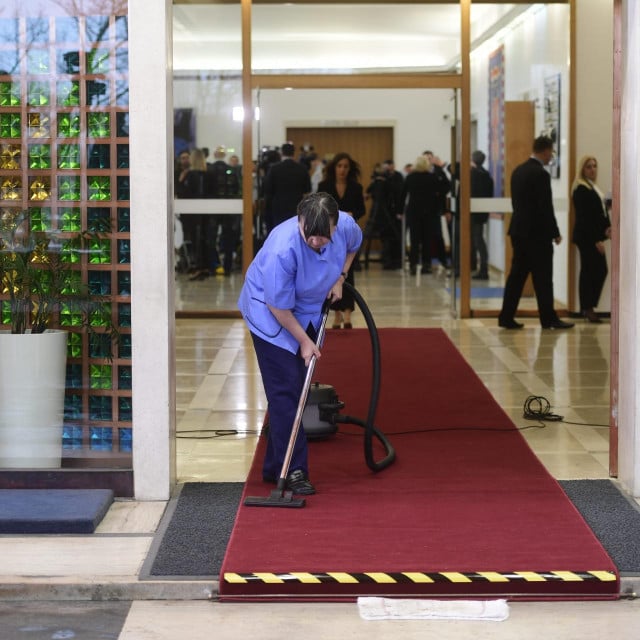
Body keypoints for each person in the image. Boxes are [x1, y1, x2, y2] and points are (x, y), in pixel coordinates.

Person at [237, 192, 362, 495]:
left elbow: (354, 246)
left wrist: (340, 277)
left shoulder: (344, 225)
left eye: (324, 237)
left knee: (293, 390)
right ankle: (293, 470)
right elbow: (278, 307)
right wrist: (305, 341)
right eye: (311, 236)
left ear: (335, 225)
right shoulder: (283, 248)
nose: (317, 242)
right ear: (300, 221)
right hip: (270, 315)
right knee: (286, 393)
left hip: (309, 308)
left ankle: (273, 466)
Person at [498, 135, 574, 330]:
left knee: (516, 277)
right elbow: (544, 208)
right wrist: (555, 232)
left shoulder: (518, 171)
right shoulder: (540, 174)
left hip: (519, 231)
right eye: (551, 152)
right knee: (543, 278)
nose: (551, 157)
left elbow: (518, 204)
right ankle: (548, 319)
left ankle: (506, 317)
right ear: (546, 150)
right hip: (537, 236)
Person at [318, 152, 366, 328]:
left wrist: (352, 214)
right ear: (334, 168)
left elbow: (362, 210)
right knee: (332, 272)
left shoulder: (356, 187)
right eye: (339, 166)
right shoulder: (324, 185)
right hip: (330, 235)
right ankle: (336, 313)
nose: (342, 170)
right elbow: (319, 207)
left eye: (346, 167)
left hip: (348, 234)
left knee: (348, 272)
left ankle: (347, 313)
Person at [571, 155, 612, 323]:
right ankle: (587, 308)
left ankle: (588, 307)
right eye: (589, 166)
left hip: (593, 235)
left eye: (594, 166)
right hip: (587, 237)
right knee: (592, 271)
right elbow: (585, 218)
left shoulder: (592, 187)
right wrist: (597, 239)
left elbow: (598, 212)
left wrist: (607, 228)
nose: (592, 169)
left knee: (596, 270)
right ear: (582, 169)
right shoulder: (581, 189)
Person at [400, 154, 442, 275]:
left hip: (413, 211)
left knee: (414, 239)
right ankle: (426, 265)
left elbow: (403, 195)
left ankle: (413, 265)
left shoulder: (410, 177)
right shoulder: (432, 177)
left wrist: (400, 211)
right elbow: (439, 194)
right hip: (429, 212)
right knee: (427, 240)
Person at [263, 142, 311, 233]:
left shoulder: (274, 169)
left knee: (280, 233)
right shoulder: (302, 168)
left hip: (278, 208)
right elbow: (307, 190)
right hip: (297, 208)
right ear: (294, 153)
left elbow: (268, 190)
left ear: (282, 153)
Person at [470, 150, 495, 279]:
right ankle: (482, 268)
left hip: (473, 213)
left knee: (478, 241)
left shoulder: (472, 174)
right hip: (482, 212)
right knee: (479, 240)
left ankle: (483, 270)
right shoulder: (487, 175)